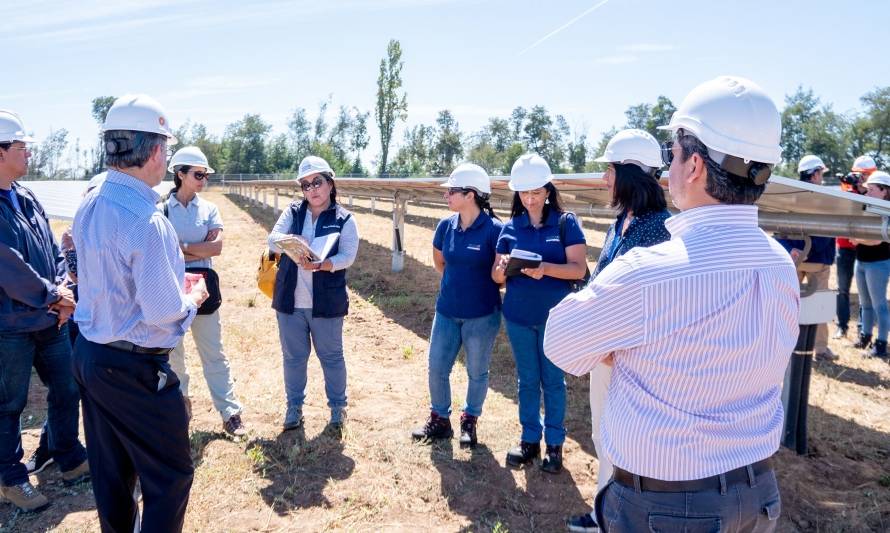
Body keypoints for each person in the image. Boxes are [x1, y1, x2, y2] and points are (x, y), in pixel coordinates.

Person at [545, 76, 798, 531]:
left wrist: (619, 344)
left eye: (672, 155)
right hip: (757, 493)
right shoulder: (778, 262)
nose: (667, 171)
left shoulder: (649, 271)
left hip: (669, 507)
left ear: (696, 165)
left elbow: (561, 343)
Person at [72, 94, 209, 533]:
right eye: (166, 148)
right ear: (152, 151)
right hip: (134, 368)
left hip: (92, 355)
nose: (166, 158)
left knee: (112, 476)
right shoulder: (146, 220)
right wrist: (193, 298)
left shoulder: (91, 200)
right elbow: (163, 313)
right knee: (170, 477)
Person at [565, 129, 670, 533]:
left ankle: (629, 517)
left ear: (629, 173)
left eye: (610, 170)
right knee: (602, 432)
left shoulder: (661, 229)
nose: (605, 179)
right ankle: (604, 513)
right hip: (605, 354)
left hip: (635, 359)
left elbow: (655, 304)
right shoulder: (619, 223)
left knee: (631, 439)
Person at [0, 110, 89, 512]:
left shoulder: (26, 194)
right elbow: (8, 264)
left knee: (67, 388)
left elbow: (52, 246)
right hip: (12, 325)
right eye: (21, 147)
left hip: (49, 317)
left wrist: (63, 287)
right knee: (9, 403)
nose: (29, 153)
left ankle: (68, 456)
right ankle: (11, 477)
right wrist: (54, 295)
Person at [491, 154, 588, 474]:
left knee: (553, 381)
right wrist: (503, 269)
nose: (530, 199)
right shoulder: (510, 227)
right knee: (527, 380)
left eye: (536, 192)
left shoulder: (565, 222)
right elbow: (496, 276)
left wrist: (544, 268)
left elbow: (578, 268)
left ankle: (555, 445)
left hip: (555, 317)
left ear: (548, 190)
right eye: (524, 193)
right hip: (518, 315)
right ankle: (529, 439)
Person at [411, 163, 502, 448]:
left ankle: (469, 420)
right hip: (447, 312)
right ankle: (440, 419)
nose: (446, 196)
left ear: (471, 195)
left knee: (477, 371)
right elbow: (441, 263)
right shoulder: (445, 226)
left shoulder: (494, 230)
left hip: (482, 316)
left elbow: (499, 275)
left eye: (452, 191)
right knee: (437, 367)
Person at [268, 156, 359, 433]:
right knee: (293, 358)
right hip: (291, 301)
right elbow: (272, 239)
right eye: (306, 185)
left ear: (330, 183)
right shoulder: (293, 213)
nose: (312, 189)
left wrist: (325, 264)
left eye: (317, 182)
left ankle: (337, 409)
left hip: (326, 302)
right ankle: (294, 408)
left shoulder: (344, 219)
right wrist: (294, 243)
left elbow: (348, 255)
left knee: (331, 357)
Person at [163, 146, 246, 436]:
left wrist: (180, 249)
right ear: (180, 174)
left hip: (202, 289)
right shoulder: (160, 210)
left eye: (205, 175)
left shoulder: (209, 209)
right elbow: (161, 252)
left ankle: (230, 412)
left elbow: (216, 247)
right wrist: (194, 249)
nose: (203, 180)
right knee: (174, 353)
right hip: (171, 289)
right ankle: (179, 408)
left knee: (214, 351)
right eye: (198, 174)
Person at [776, 155, 836, 360]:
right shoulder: (826, 199)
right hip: (817, 260)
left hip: (794, 259)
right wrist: (808, 250)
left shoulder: (790, 195)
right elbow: (826, 230)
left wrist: (792, 249)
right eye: (821, 173)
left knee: (787, 304)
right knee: (819, 303)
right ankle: (820, 349)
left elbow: (780, 227)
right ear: (816, 173)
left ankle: (782, 345)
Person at [834, 155, 877, 340]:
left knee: (864, 293)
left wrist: (865, 191)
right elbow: (839, 206)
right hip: (844, 246)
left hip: (866, 246)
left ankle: (862, 329)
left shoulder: (877, 193)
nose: (861, 178)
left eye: (865, 175)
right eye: (858, 174)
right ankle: (842, 326)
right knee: (842, 289)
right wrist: (848, 186)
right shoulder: (846, 189)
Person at [851, 170, 890, 358]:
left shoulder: (887, 211)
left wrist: (858, 239)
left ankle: (881, 344)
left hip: (878, 263)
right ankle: (865, 337)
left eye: (872, 189)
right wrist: (859, 238)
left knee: (879, 305)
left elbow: (876, 241)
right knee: (865, 303)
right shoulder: (867, 206)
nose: (868, 193)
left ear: (884, 191)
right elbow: (856, 233)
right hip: (861, 261)